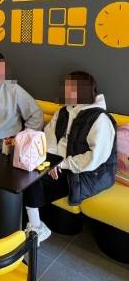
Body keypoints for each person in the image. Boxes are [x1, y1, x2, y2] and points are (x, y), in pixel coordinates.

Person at [24, 71, 117, 244]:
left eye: (69, 89)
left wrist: (62, 165)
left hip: (86, 173)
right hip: (59, 165)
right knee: (26, 173)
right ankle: (32, 223)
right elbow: (49, 138)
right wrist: (52, 162)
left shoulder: (100, 119)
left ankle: (36, 227)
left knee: (33, 181)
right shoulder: (63, 112)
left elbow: (94, 158)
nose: (64, 92)